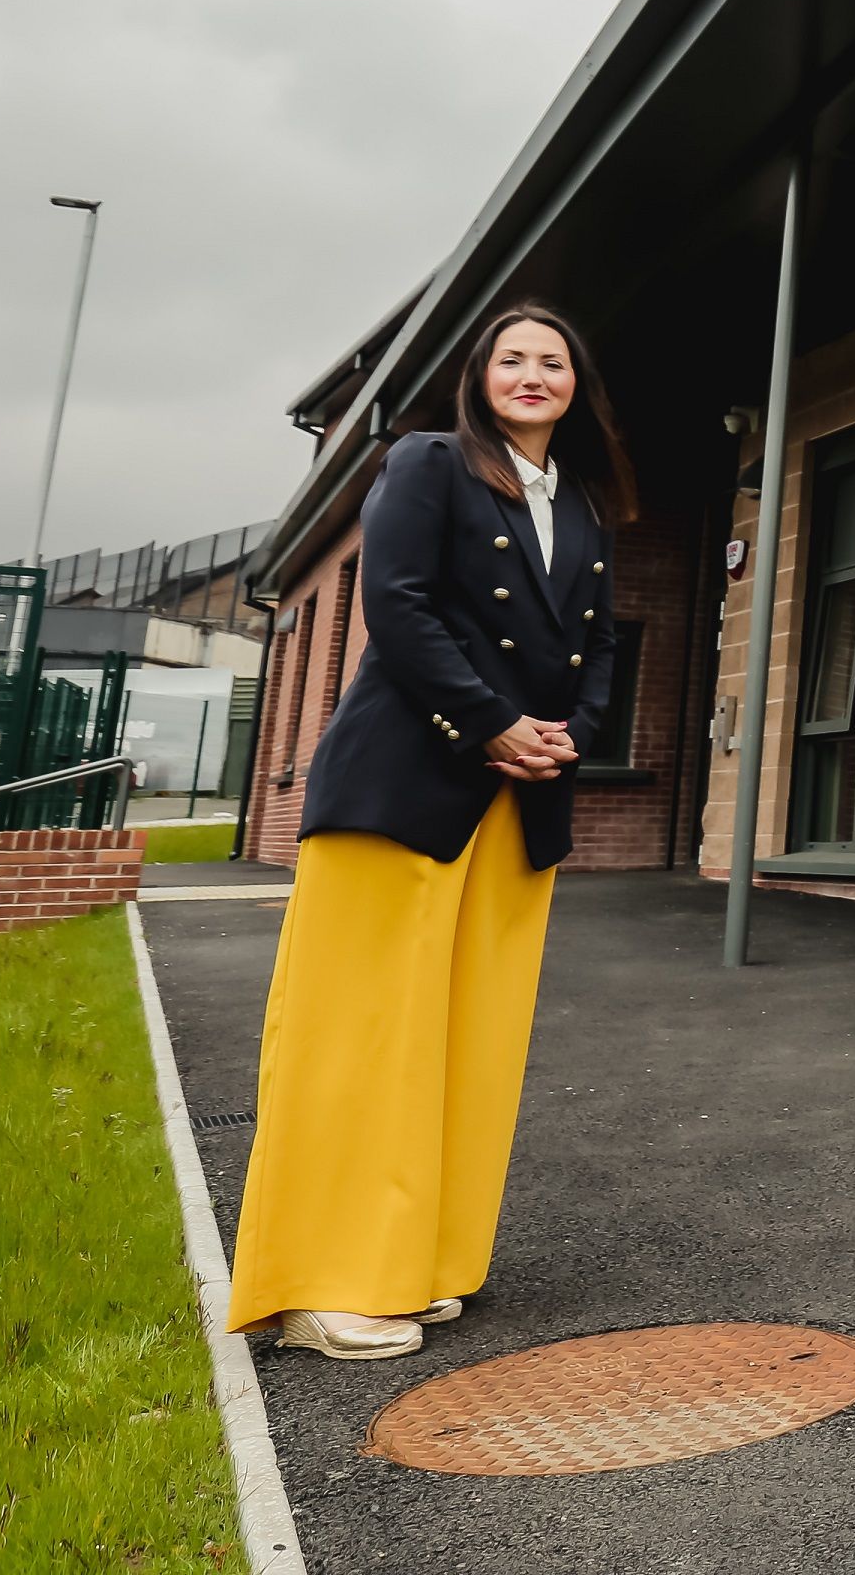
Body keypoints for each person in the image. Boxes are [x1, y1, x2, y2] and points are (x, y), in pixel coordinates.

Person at [226, 305, 628, 1359]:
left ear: (577, 384)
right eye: (512, 358)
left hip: (518, 802)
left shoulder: (581, 505)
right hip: (407, 784)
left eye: (553, 360)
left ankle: (418, 1261)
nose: (532, 373)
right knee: (359, 1039)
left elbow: (598, 651)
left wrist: (563, 740)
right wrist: (492, 724)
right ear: (480, 377)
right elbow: (398, 607)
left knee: (469, 1041)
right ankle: (320, 1284)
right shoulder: (427, 462)